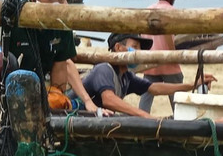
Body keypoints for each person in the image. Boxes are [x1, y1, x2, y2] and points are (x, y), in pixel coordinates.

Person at [2, 0, 103, 115]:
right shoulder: (14, 17)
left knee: (60, 84)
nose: (57, 3)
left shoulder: (62, 25)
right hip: (12, 86)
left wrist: (87, 101)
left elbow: (65, 62)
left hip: (45, 87)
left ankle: (58, 104)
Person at [81, 33, 211, 118]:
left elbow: (154, 88)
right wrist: (143, 115)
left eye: (139, 48)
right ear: (118, 47)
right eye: (134, 47)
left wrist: (193, 84)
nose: (138, 52)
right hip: (77, 117)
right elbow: (109, 99)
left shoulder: (126, 76)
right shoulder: (104, 69)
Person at [138, 0, 183, 114]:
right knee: (177, 95)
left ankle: (140, 119)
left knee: (146, 94)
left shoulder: (148, 10)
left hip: (150, 61)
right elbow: (171, 38)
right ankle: (180, 119)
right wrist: (174, 55)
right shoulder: (173, 12)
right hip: (169, 61)